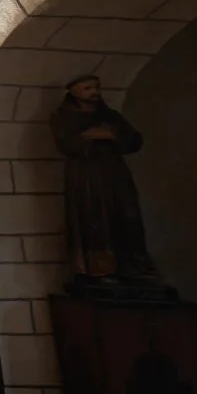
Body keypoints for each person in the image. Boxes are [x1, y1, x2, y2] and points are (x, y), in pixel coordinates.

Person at [49, 75, 155, 282]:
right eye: (87, 88)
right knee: (94, 219)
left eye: (96, 88)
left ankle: (132, 265)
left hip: (115, 173)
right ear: (74, 92)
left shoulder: (109, 116)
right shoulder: (64, 117)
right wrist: (88, 138)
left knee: (128, 215)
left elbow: (134, 140)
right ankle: (99, 268)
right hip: (86, 176)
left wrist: (112, 135)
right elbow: (66, 144)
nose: (94, 92)